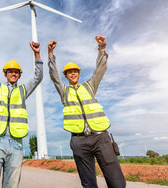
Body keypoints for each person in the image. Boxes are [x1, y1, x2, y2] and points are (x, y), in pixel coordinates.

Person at [48, 36, 126, 188]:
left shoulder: (90, 86)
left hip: (100, 137)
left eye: (75, 71)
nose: (73, 74)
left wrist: (102, 48)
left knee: (117, 182)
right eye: (69, 72)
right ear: (65, 75)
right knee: (88, 184)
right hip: (79, 140)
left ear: (78, 73)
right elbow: (53, 76)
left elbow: (101, 69)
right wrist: (51, 54)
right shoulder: (64, 91)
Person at [0, 36, 43, 188]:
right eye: (10, 71)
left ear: (20, 75)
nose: (13, 74)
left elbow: (38, 77)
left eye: (16, 72)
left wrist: (37, 55)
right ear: (5, 74)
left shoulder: (23, 91)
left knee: (12, 185)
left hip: (16, 144)